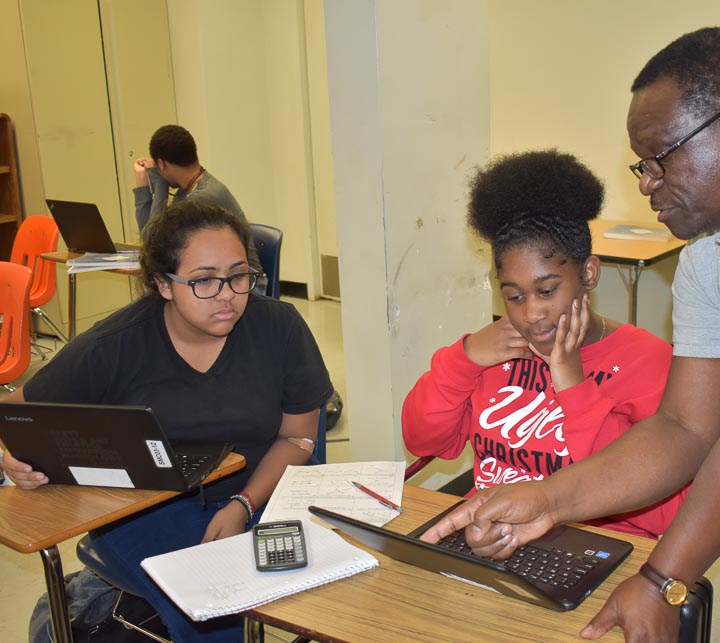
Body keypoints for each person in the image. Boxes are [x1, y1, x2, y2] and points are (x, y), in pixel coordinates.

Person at [422, 27, 720, 643]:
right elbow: (684, 428)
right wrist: (546, 499)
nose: (646, 183)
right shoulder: (712, 255)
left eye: (659, 159)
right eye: (640, 165)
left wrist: (659, 580)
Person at [2, 199, 333, 642]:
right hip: (146, 509)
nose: (228, 296)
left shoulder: (279, 327)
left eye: (238, 276)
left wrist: (244, 505)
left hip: (265, 493)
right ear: (162, 284)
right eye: (203, 282)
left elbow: (298, 438)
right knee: (212, 617)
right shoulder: (116, 344)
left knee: (344, 595)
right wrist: (15, 459)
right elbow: (20, 412)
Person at [403, 149, 684, 538]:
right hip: (493, 537)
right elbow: (424, 440)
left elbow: (667, 514)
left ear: (588, 273)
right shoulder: (495, 352)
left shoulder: (647, 362)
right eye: (514, 297)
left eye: (547, 290)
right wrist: (463, 359)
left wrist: (574, 387)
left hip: (594, 547)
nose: (532, 313)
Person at [133, 124, 265, 290]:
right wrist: (143, 184)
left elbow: (152, 245)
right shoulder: (187, 190)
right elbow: (151, 240)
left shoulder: (201, 198)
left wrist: (159, 184)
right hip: (219, 280)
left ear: (161, 163)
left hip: (245, 286)